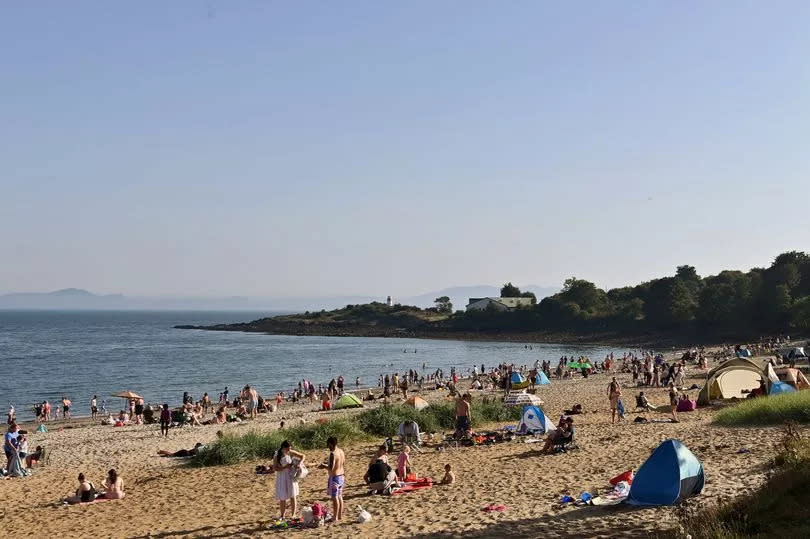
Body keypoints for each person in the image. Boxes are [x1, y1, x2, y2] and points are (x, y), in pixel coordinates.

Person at [274, 440, 305, 520]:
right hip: (282, 477)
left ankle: (293, 514)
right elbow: (275, 468)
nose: (289, 450)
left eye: (290, 448)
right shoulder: (277, 455)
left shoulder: (290, 452)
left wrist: (299, 463)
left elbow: (303, 456)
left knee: (293, 495)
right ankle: (282, 515)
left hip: (291, 475)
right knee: (282, 496)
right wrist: (285, 467)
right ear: (283, 448)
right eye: (288, 449)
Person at [319, 436, 345, 522]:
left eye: (328, 445)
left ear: (331, 444)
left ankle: (335, 517)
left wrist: (323, 466)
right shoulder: (341, 451)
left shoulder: (333, 453)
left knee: (335, 498)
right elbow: (342, 463)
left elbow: (331, 468)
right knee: (340, 496)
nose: (328, 447)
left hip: (335, 477)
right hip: (341, 476)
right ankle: (340, 515)